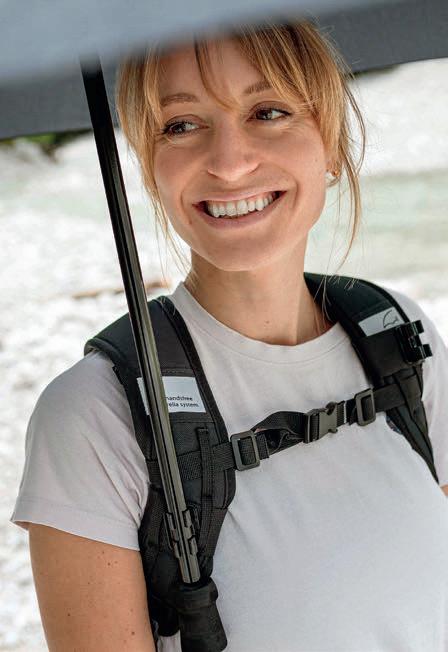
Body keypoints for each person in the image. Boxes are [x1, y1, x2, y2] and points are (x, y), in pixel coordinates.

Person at [10, 18, 448, 652]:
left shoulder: (400, 336)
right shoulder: (94, 417)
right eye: (181, 125)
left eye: (268, 112)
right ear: (149, 166)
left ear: (330, 141)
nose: (230, 163)